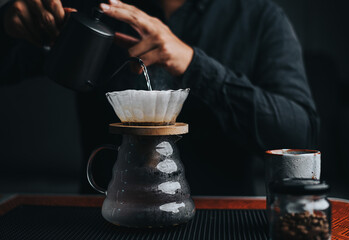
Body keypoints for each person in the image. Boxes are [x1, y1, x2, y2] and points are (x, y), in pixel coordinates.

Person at [0, 0, 319, 195]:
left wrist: (195, 66)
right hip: (102, 214)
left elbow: (297, 135)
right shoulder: (91, 8)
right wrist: (8, 24)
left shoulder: (261, 19)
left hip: (222, 215)